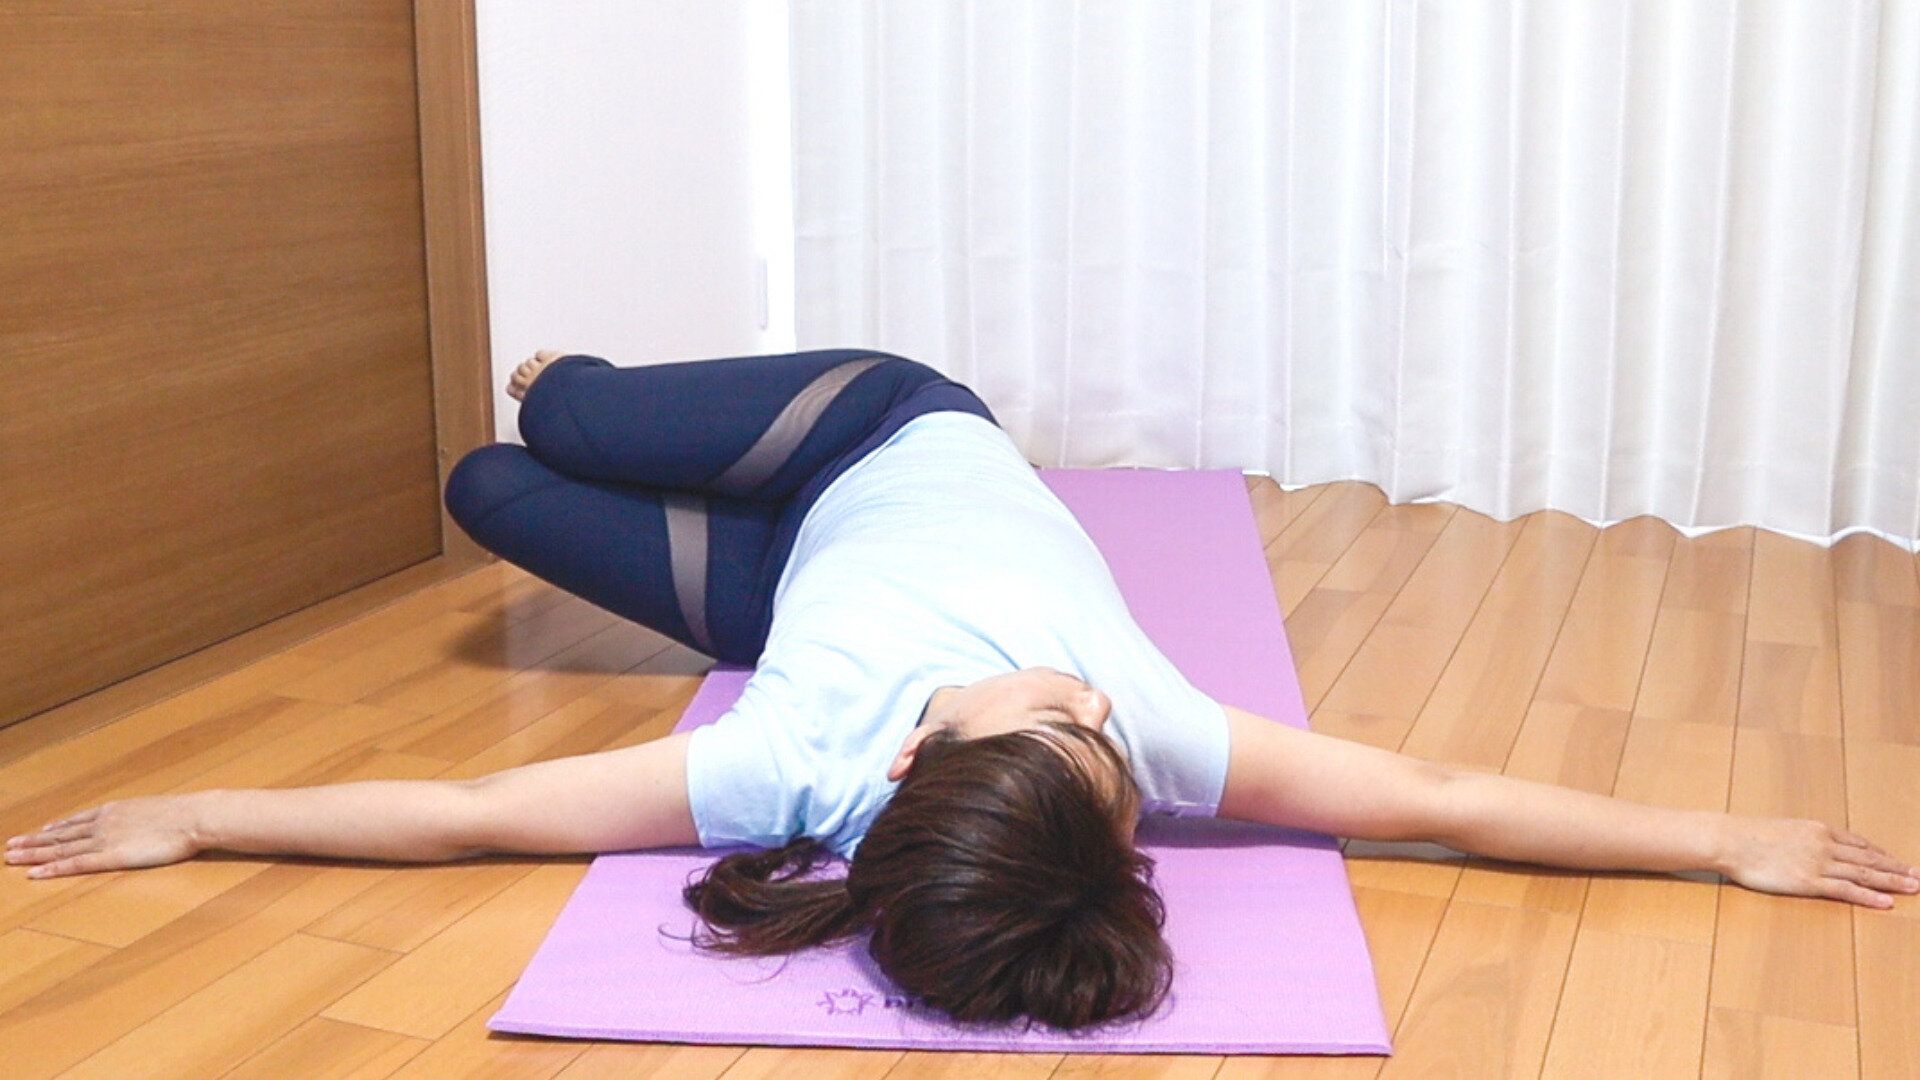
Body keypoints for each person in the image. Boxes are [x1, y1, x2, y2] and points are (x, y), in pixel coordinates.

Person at [9, 349, 1915, 1032]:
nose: (1091, 695)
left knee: (485, 487)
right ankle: (585, 377)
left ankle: (587, 425)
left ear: (916, 749)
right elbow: (1446, 802)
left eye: (1065, 717)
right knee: (563, 410)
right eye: (1091, 730)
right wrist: (1719, 839)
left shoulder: (782, 758)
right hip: (889, 420)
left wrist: (198, 811)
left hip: (793, 571)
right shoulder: (1147, 740)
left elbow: (466, 819)